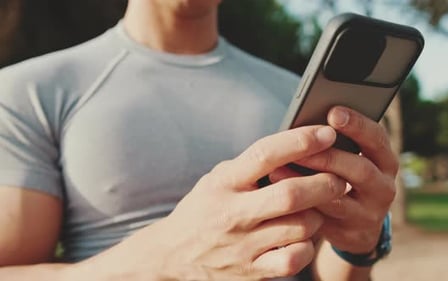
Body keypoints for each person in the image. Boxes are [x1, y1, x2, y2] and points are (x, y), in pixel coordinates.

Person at [0, 0, 397, 280]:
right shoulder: (29, 91)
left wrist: (356, 247)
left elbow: (318, 271)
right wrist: (166, 261)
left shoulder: (295, 95)